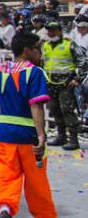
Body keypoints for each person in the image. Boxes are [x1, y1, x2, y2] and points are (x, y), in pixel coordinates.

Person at [0, 31, 56, 218]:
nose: (40, 52)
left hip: (4, 132)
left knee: (5, 175)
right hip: (27, 134)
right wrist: (41, 135)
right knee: (36, 180)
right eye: (37, 48)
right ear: (27, 50)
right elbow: (36, 105)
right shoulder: (34, 72)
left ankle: (5, 210)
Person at [42, 20, 84, 151]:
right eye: (49, 30)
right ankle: (61, 136)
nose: (51, 32)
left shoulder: (69, 44)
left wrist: (77, 79)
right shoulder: (46, 45)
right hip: (51, 82)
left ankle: (73, 139)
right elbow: (44, 63)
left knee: (67, 110)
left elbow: (83, 61)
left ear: (59, 31)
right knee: (55, 110)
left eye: (53, 30)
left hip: (66, 83)